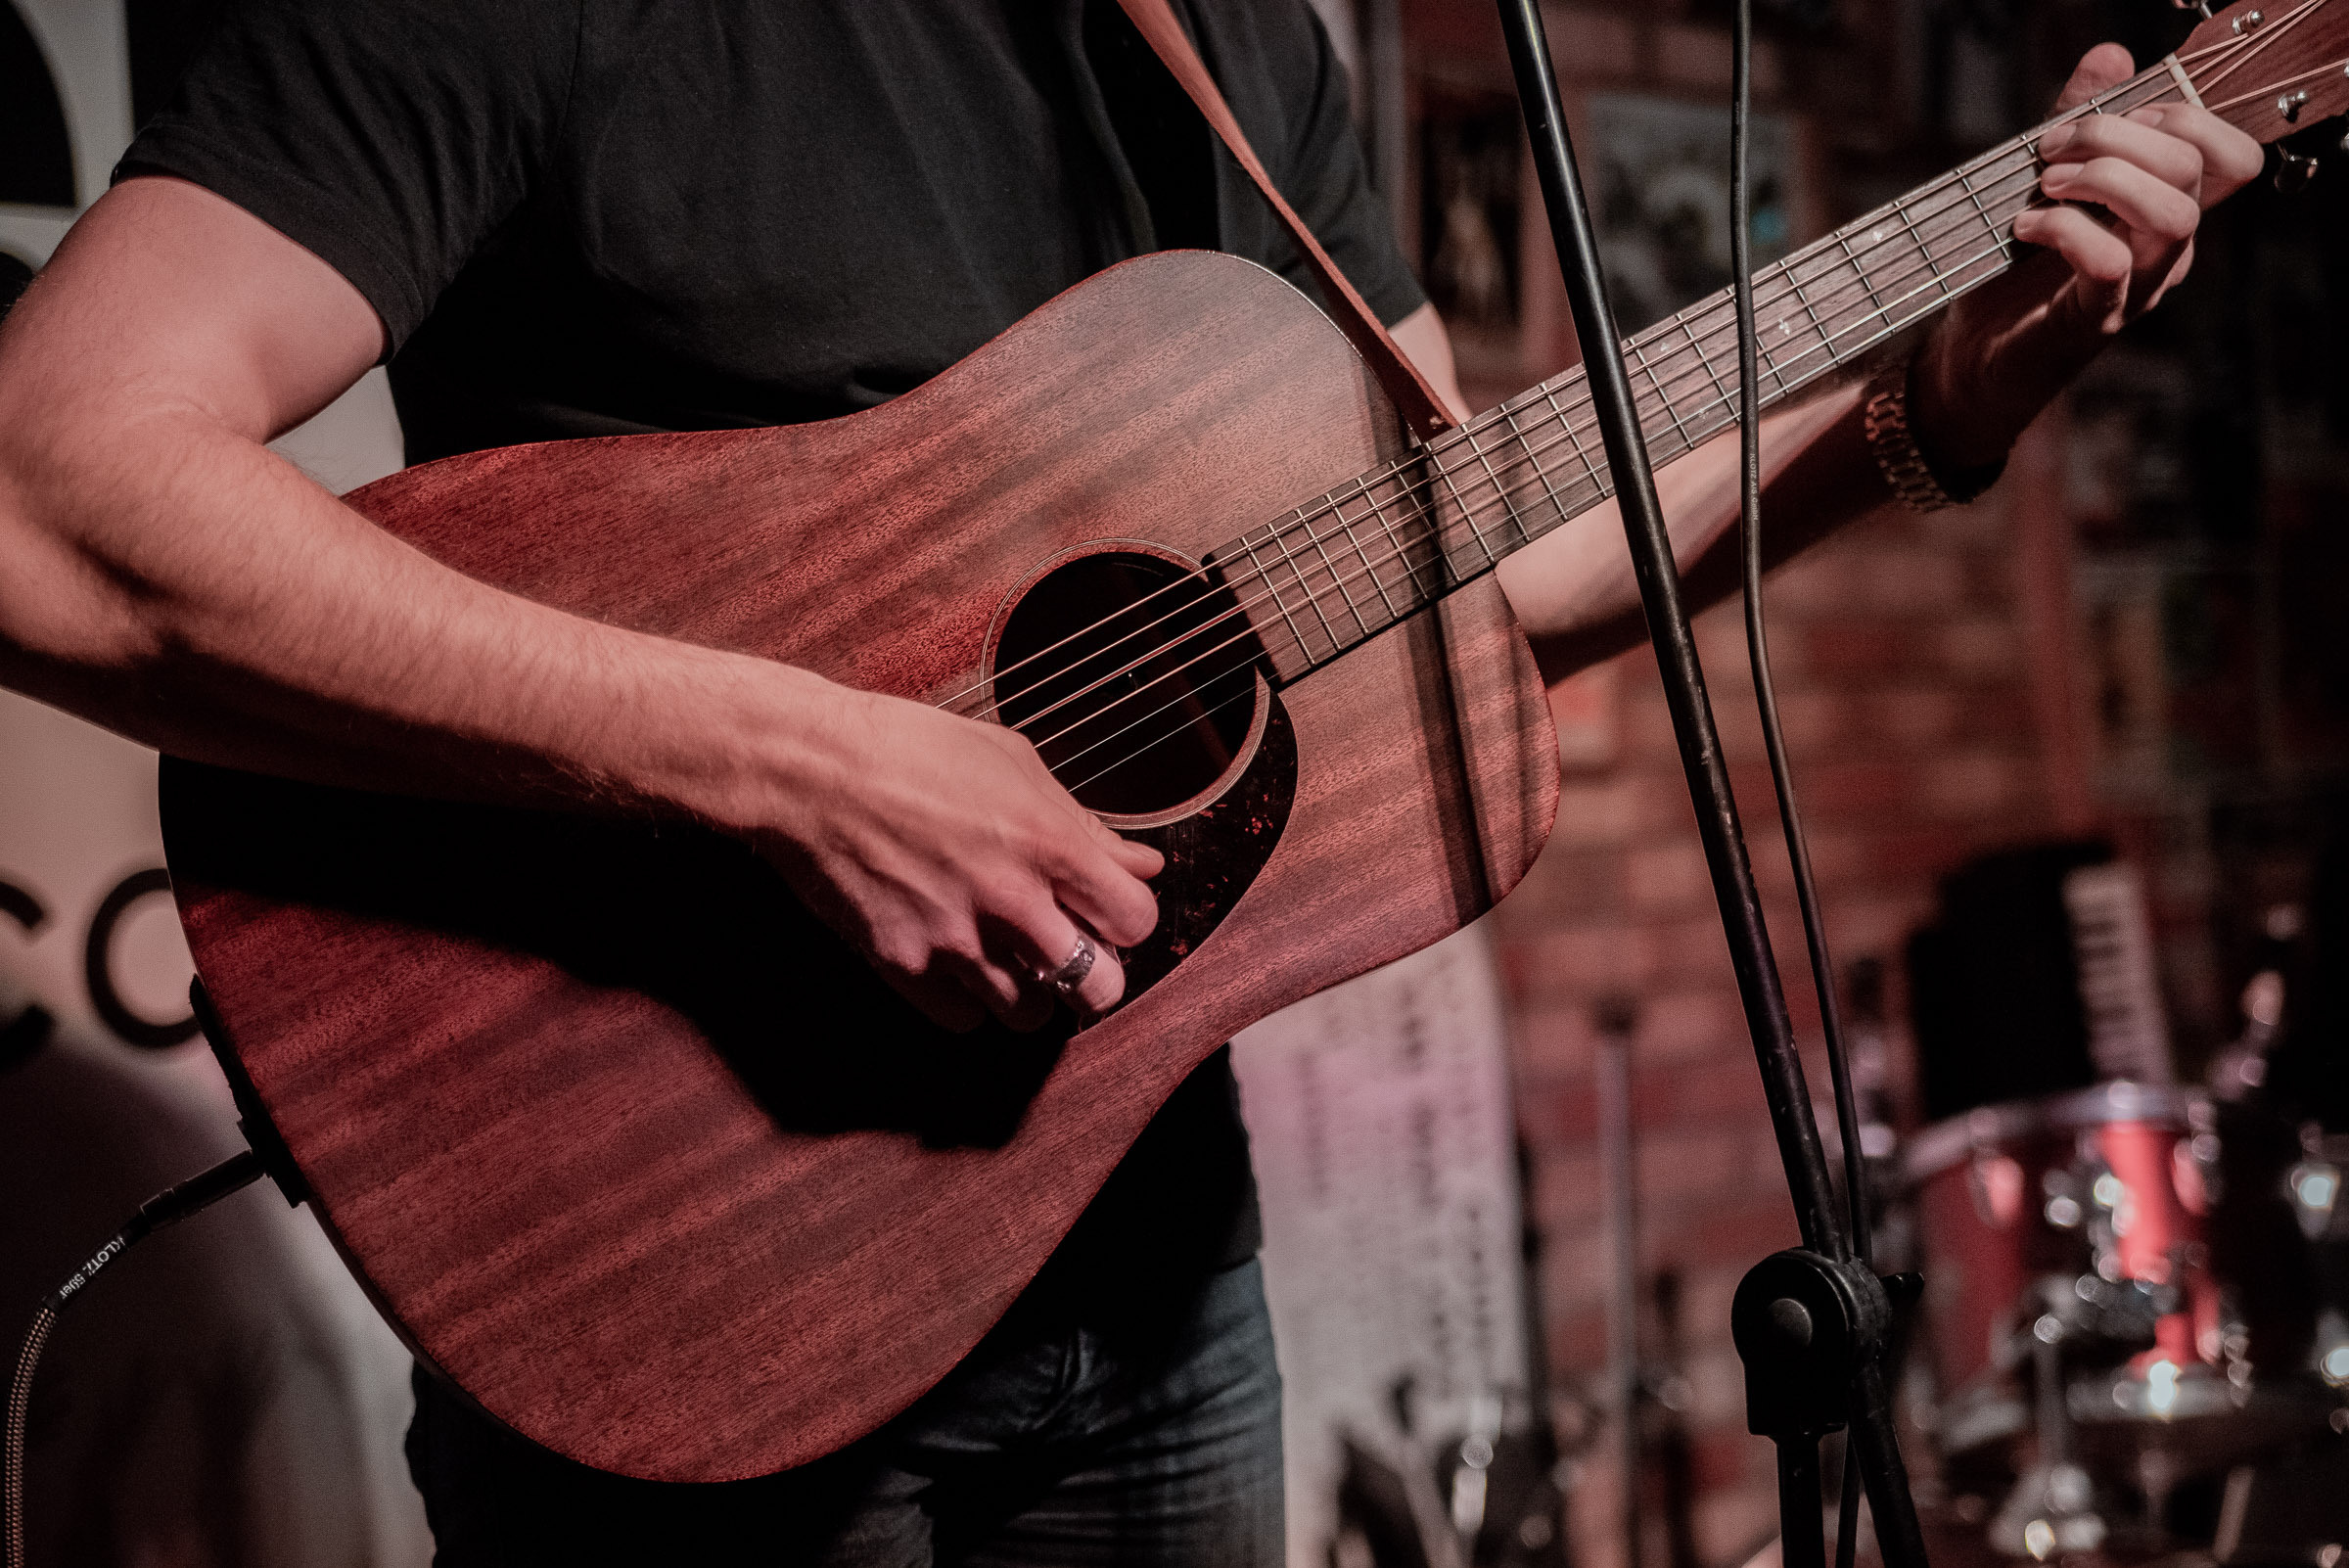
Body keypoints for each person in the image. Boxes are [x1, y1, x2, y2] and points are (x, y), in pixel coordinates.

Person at [0, 0, 2263, 1562]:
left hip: (1157, 1266)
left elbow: (1463, 558)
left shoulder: (1228, 33)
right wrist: (796, 767)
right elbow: (47, 487)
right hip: (679, 1278)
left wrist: (1942, 394)